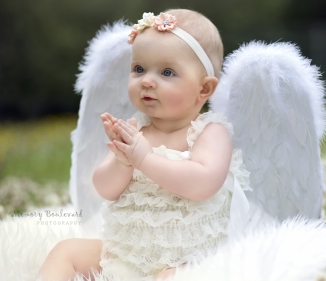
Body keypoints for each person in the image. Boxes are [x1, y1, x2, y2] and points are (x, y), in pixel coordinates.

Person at [37, 8, 250, 281]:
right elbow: (104, 189)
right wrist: (122, 161)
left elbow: (203, 184)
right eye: (138, 68)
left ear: (204, 89)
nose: (147, 80)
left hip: (186, 256)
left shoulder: (210, 133)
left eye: (167, 72)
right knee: (65, 251)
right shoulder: (136, 130)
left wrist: (145, 159)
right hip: (126, 252)